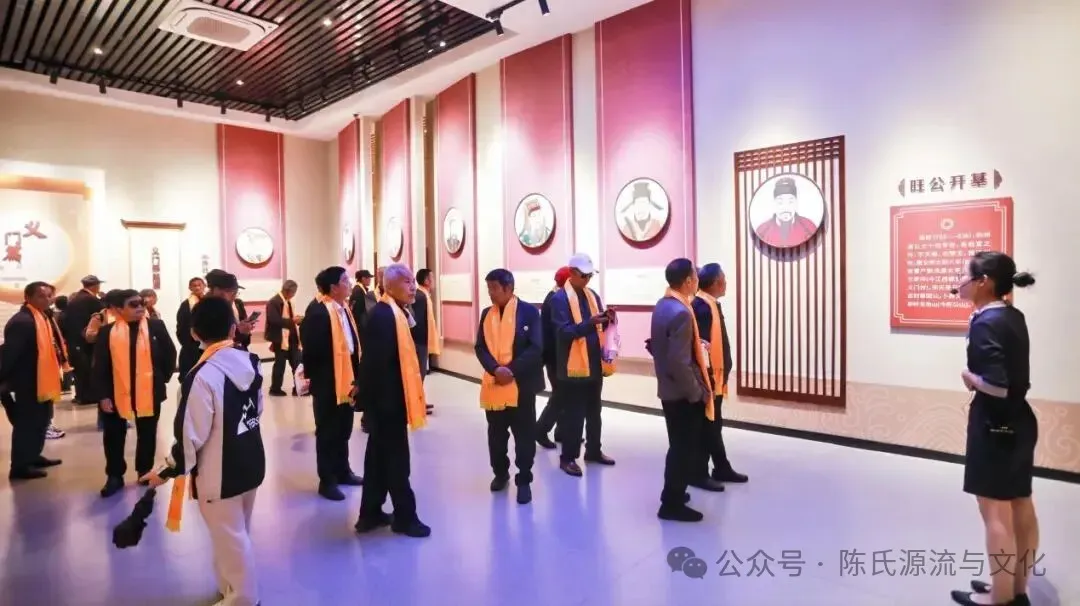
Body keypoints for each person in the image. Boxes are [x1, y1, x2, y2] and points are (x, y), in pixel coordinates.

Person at [143, 295, 266, 606]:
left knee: (230, 538)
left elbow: (190, 436)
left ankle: (244, 599)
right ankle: (230, 589)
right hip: (250, 460)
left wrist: (165, 470)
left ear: (194, 333)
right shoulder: (252, 363)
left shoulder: (202, 376)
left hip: (219, 472)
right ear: (233, 328)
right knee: (236, 534)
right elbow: (257, 410)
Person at [948, 251, 1038, 606]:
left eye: (964, 275)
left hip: (994, 425)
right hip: (1020, 421)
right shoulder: (1013, 315)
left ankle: (999, 599)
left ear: (983, 282)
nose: (959, 282)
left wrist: (969, 377)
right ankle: (1016, 589)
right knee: (1021, 505)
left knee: (995, 512)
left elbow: (998, 386)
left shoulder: (985, 322)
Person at [355, 263, 430, 538]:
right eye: (407, 282)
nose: (413, 287)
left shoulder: (395, 312)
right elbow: (373, 363)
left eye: (413, 281)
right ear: (390, 285)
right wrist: (372, 403)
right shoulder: (384, 316)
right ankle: (405, 518)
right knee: (397, 462)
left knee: (377, 459)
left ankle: (370, 513)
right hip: (387, 404)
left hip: (388, 401)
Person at [93, 289, 177, 498]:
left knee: (147, 433)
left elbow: (169, 354)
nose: (140, 307)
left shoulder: (156, 327)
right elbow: (100, 366)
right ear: (118, 309)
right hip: (115, 394)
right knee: (113, 436)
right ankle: (114, 475)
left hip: (148, 392)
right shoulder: (107, 332)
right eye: (133, 304)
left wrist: (160, 379)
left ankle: (144, 471)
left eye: (141, 303)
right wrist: (103, 395)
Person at [647, 258, 712, 522]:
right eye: (695, 276)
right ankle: (671, 503)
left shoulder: (663, 305)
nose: (697, 281)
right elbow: (679, 362)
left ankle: (674, 492)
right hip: (682, 394)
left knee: (678, 445)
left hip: (668, 390)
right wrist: (696, 393)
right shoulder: (682, 312)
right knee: (682, 449)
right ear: (688, 281)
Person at [474, 269, 543, 504]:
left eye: (494, 288)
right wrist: (496, 369)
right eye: (488, 288)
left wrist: (511, 370)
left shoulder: (529, 312)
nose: (490, 293)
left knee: (524, 435)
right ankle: (500, 473)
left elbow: (536, 347)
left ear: (509, 288)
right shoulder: (487, 314)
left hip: (521, 386)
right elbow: (480, 347)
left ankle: (524, 480)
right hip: (494, 385)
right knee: (496, 435)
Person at [301, 267, 363, 501]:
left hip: (348, 379)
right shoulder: (318, 312)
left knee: (344, 429)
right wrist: (320, 382)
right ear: (334, 287)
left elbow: (351, 345)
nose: (349, 283)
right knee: (328, 431)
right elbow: (312, 351)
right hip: (328, 382)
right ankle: (327, 481)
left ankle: (343, 471)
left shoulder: (343, 308)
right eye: (345, 280)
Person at [550, 253, 615, 476]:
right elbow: (563, 332)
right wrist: (590, 324)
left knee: (595, 411)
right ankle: (568, 458)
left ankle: (593, 450)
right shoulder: (559, 299)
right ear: (572, 273)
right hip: (573, 367)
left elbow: (597, 326)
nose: (587, 280)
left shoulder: (592, 295)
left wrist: (606, 318)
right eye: (584, 276)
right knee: (574, 415)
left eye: (590, 276)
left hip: (594, 363)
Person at [691, 263, 748, 488]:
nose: (726, 283)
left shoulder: (710, 303)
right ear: (716, 282)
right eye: (724, 279)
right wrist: (707, 378)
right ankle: (699, 473)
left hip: (716, 378)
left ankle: (721, 467)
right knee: (707, 427)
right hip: (708, 379)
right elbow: (701, 346)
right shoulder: (702, 307)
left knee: (714, 425)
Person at [0, 282, 64, 480]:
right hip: (27, 383)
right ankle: (19, 466)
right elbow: (10, 355)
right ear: (28, 298)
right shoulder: (23, 322)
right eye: (41, 296)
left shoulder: (42, 318)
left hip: (43, 380)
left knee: (41, 421)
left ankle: (33, 456)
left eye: (49, 296)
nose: (47, 300)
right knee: (26, 424)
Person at [536, 266, 571, 449]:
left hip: (556, 355)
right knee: (561, 394)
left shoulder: (555, 297)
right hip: (555, 356)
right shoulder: (555, 300)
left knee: (564, 393)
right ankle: (541, 429)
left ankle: (562, 432)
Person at [60, 274, 105, 404]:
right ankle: (88, 396)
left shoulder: (75, 299)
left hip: (74, 341)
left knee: (79, 370)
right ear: (96, 286)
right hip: (85, 342)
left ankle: (80, 395)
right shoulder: (91, 300)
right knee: (87, 368)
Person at [753, 176, 819, 248]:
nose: (785, 207)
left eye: (790, 202)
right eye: (780, 202)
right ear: (774, 203)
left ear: (796, 203)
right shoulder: (762, 231)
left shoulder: (809, 227)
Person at [265, 280, 302, 396]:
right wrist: (292, 321)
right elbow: (274, 320)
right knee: (280, 365)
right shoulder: (274, 302)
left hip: (292, 337)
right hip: (280, 338)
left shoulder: (288, 302)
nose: (294, 295)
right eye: (294, 292)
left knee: (297, 363)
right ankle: (275, 389)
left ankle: (299, 388)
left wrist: (296, 320)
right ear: (288, 291)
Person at [206, 269, 255, 351]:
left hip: (238, 349)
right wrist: (239, 331)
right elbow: (213, 339)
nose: (233, 295)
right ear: (216, 289)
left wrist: (245, 329)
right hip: (219, 353)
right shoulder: (205, 308)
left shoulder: (237, 303)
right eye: (229, 291)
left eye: (235, 292)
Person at [413, 268, 440, 414]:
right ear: (426, 281)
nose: (434, 280)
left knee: (421, 373)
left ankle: (420, 401)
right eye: (432, 278)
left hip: (422, 341)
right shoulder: (420, 297)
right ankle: (417, 404)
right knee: (419, 374)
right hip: (419, 341)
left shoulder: (423, 295)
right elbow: (417, 322)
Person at [176, 276, 207, 378]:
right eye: (194, 286)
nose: (197, 288)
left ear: (204, 286)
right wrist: (188, 344)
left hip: (209, 344)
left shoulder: (210, 302)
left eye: (199, 285)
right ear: (190, 288)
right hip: (192, 346)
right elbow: (181, 326)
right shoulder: (185, 305)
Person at [349, 269, 376, 338]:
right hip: (360, 325)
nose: (370, 280)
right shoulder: (358, 291)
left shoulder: (360, 289)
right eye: (369, 278)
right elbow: (357, 310)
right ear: (363, 279)